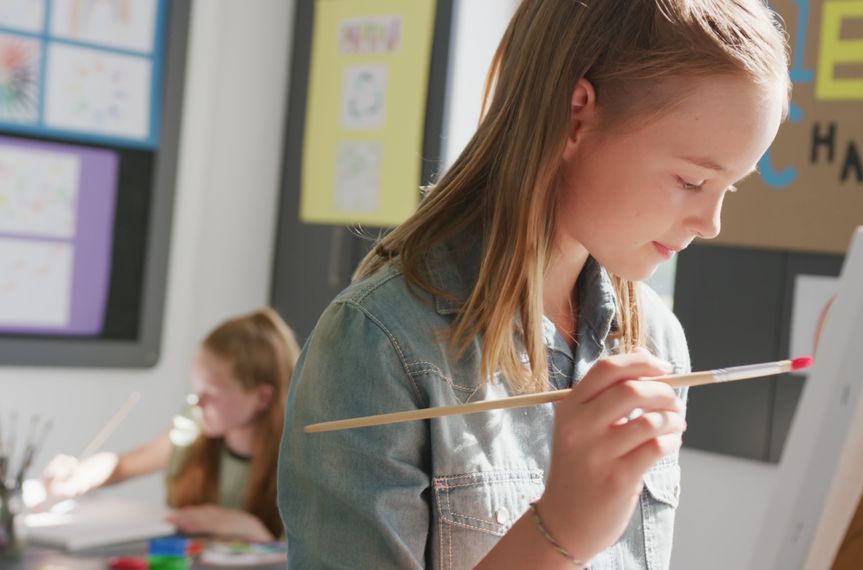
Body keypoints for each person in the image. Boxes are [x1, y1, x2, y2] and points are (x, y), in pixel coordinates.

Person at [278, 0, 789, 566]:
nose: (711, 224)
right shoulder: (380, 343)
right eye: (692, 180)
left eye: (731, 188)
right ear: (576, 115)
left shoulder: (656, 342)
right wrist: (560, 530)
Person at [44, 308, 300, 543]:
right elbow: (122, 466)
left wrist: (250, 530)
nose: (197, 402)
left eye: (212, 393)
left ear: (263, 397)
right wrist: (81, 475)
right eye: (196, 388)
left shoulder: (301, 460)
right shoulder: (193, 426)